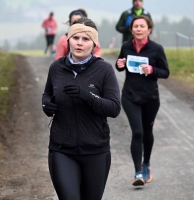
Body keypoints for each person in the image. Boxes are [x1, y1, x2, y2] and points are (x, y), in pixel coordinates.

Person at [42, 17, 121, 199]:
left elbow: (114, 108)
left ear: (93, 44)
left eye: (86, 39)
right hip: (62, 149)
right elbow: (47, 94)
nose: (80, 43)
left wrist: (87, 96)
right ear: (68, 39)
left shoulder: (104, 70)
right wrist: (47, 105)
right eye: (76, 38)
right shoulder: (56, 68)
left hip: (95, 151)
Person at [115, 15, 169, 186]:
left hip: (150, 97)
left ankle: (146, 165)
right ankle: (138, 172)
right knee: (137, 132)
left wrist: (152, 69)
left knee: (147, 131)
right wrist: (119, 64)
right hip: (130, 95)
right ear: (131, 30)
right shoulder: (126, 46)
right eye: (135, 26)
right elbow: (120, 64)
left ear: (149, 30)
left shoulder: (156, 49)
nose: (138, 29)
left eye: (142, 26)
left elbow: (165, 72)